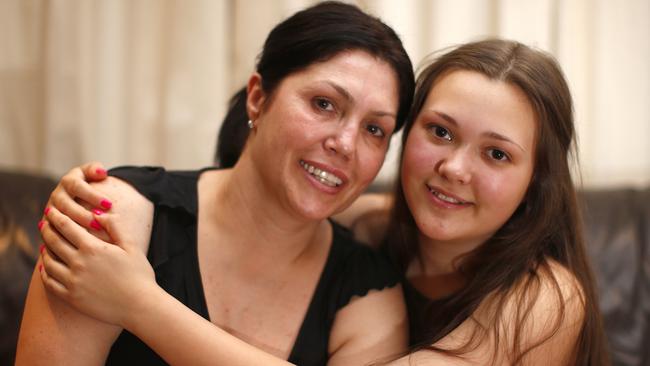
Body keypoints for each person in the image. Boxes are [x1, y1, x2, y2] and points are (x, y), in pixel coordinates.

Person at [27, 39, 609, 365]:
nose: (454, 168)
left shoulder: (546, 298)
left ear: (538, 180)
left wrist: (135, 301)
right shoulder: (373, 229)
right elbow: (261, 201)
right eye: (440, 132)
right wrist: (105, 188)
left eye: (498, 155)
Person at [15, 2, 415, 365]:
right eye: (324, 104)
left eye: (374, 129)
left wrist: (138, 303)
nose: (345, 144)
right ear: (257, 98)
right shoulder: (116, 216)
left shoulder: (368, 293)